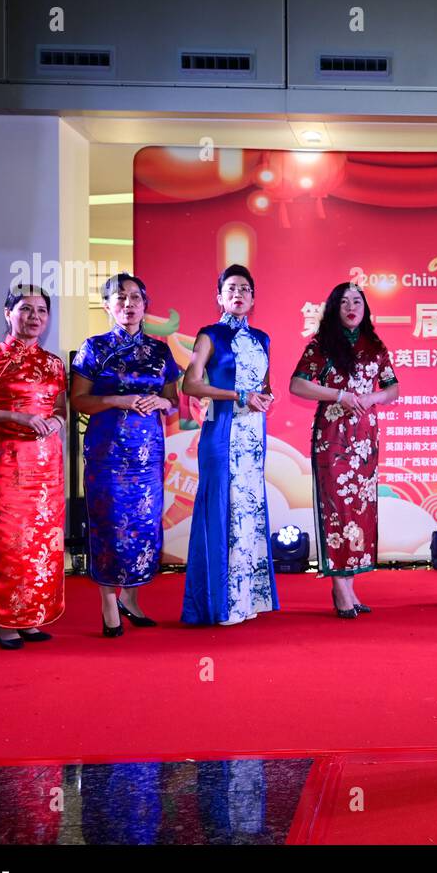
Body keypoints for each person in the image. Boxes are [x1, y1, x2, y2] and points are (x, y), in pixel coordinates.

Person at [71, 273, 180, 638]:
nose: (128, 304)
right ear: (107, 306)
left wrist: (162, 401)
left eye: (135, 298)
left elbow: (175, 402)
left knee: (143, 526)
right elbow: (78, 400)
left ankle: (131, 599)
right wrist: (118, 400)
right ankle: (107, 601)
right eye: (120, 298)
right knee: (108, 523)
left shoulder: (160, 351)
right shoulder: (94, 347)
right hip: (107, 452)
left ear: (146, 306)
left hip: (148, 453)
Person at [0, 286, 67, 649]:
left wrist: (57, 423)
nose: (34, 316)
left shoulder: (54, 364)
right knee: (6, 542)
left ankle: (31, 617)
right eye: (25, 309)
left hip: (47, 465)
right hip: (6, 460)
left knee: (41, 542)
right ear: (8, 313)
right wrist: (14, 415)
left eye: (41, 310)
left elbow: (62, 410)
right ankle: (6, 623)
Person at [290, 282, 400, 618]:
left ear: (365, 308)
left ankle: (350, 586)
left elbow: (392, 387)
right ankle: (339, 587)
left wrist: (372, 397)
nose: (352, 307)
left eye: (358, 301)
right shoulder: (322, 345)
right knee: (336, 508)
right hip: (332, 437)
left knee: (360, 510)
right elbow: (297, 384)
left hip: (366, 438)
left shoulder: (375, 345)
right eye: (344, 302)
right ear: (334, 309)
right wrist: (339, 396)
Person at [181, 264, 278, 626]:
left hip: (254, 435)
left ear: (253, 299)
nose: (238, 295)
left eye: (245, 290)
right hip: (221, 432)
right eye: (231, 289)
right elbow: (190, 385)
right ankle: (218, 604)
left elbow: (264, 387)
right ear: (219, 296)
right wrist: (238, 394)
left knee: (248, 509)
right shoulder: (209, 335)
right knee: (221, 508)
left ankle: (246, 600)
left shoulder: (263, 339)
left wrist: (266, 397)